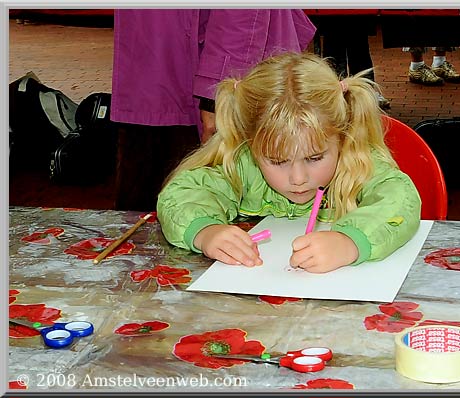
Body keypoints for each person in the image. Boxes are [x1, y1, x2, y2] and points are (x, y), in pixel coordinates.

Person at [157, 52, 422, 274]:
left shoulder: (356, 161)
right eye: (276, 161)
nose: (298, 178)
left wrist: (350, 242)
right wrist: (206, 231)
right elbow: (181, 194)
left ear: (342, 138)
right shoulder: (241, 164)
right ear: (251, 145)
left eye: (315, 158)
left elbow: (400, 199)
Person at [110, 9, 316, 211]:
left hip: (202, 78)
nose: (299, 178)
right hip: (154, 69)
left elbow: (240, 14)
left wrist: (216, 89)